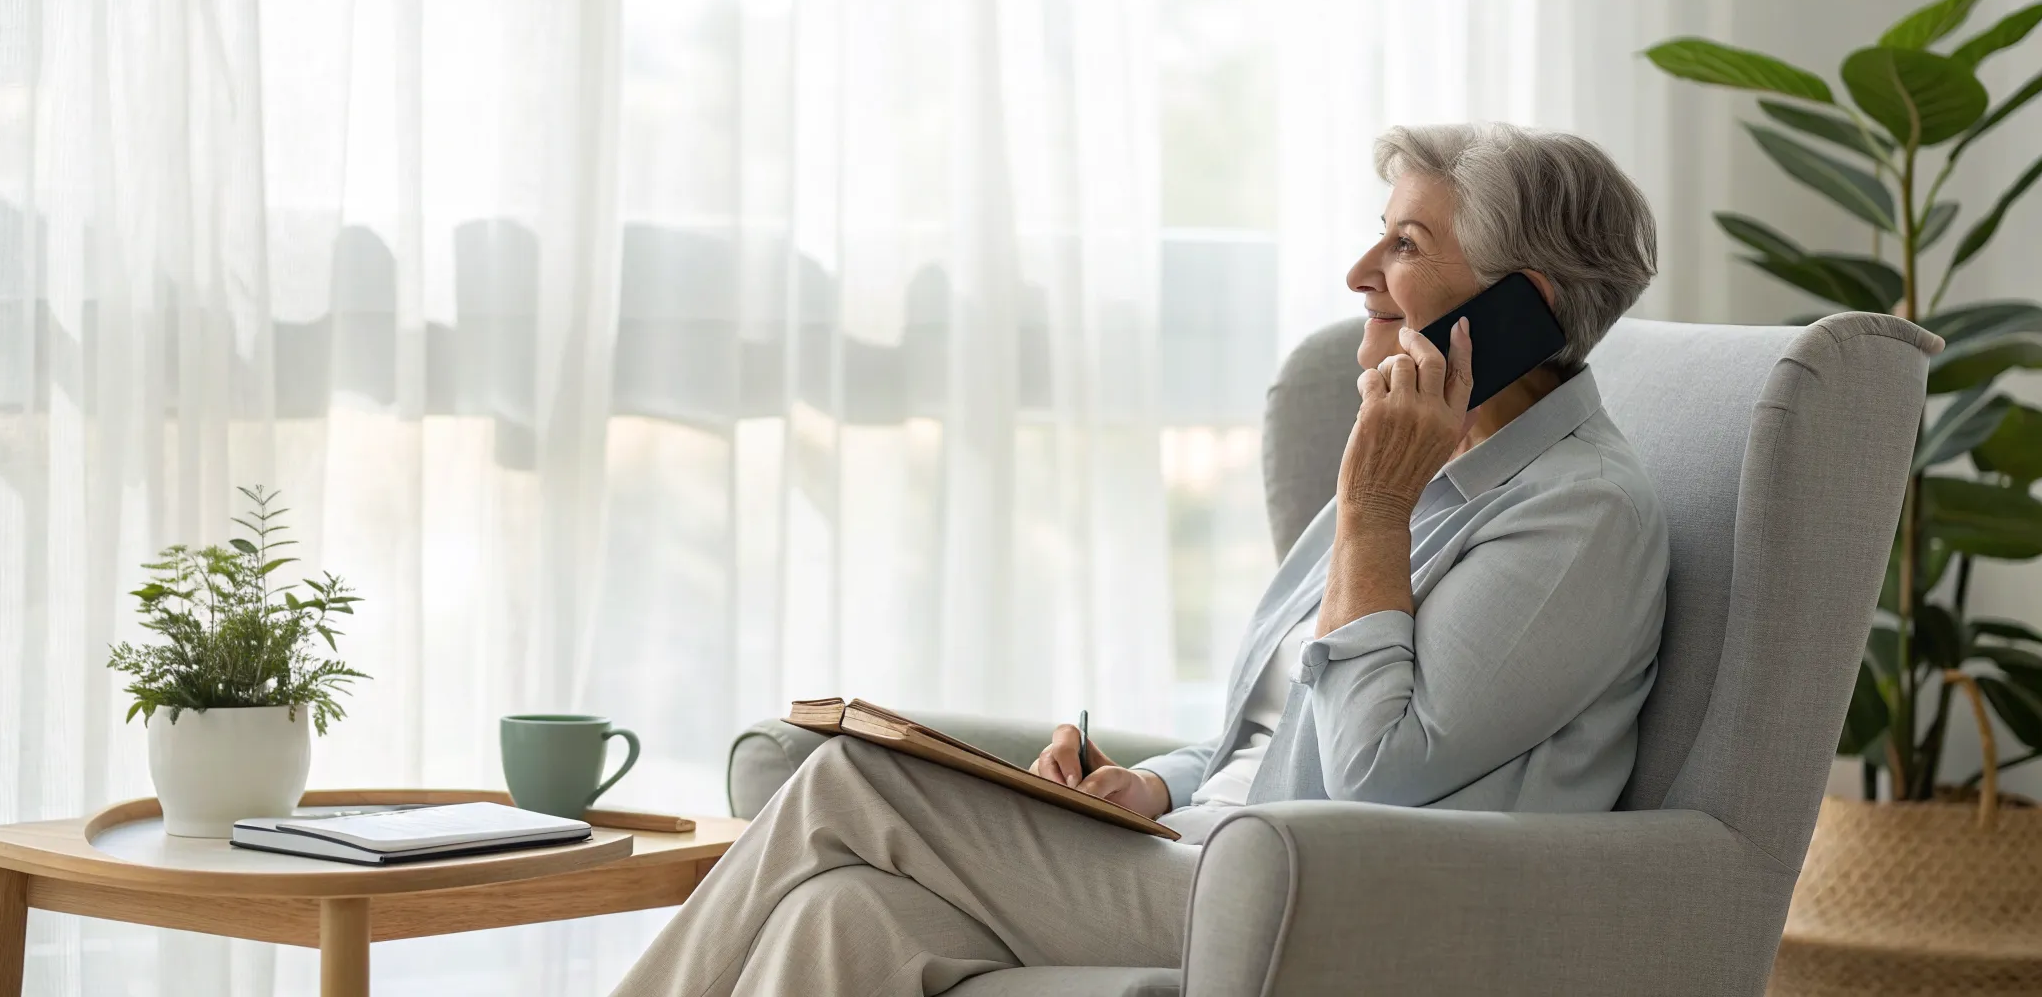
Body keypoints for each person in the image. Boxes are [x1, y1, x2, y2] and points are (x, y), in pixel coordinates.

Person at [612, 122, 1670, 997]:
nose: (1358, 275)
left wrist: (1372, 513)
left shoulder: (1579, 518)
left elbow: (1372, 776)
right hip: (1213, 855)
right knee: (839, 914)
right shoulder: (1415, 462)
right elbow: (1265, 727)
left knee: (850, 779)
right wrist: (1149, 791)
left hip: (1338, 903)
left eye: (1401, 244)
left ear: (1521, 305)